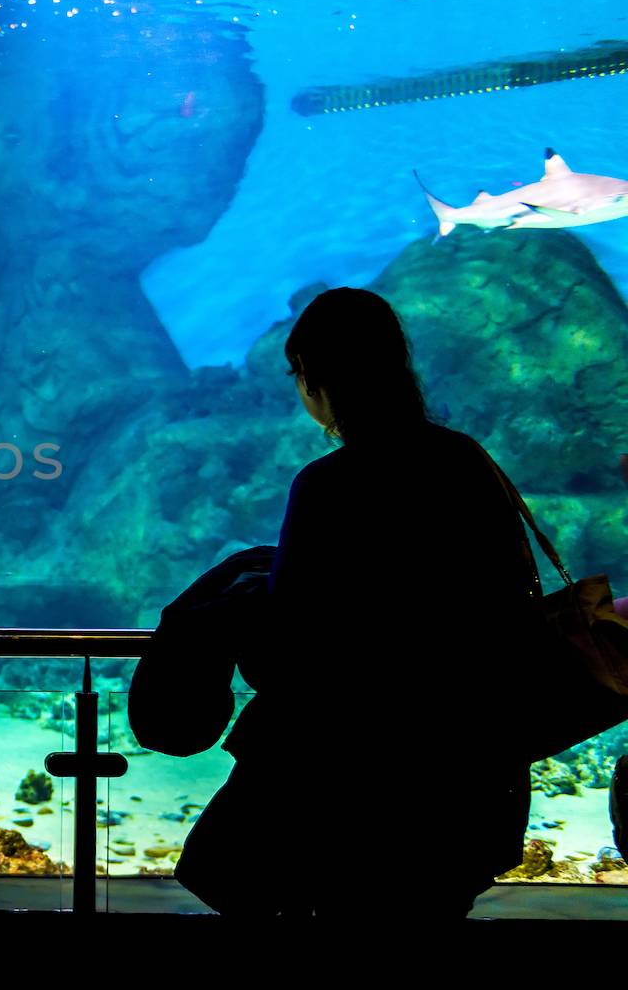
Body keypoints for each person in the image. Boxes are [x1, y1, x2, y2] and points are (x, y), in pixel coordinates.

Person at [173, 287, 534, 918]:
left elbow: (294, 650)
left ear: (312, 376)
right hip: (466, 780)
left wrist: (242, 619)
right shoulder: (468, 462)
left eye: (297, 373)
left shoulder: (328, 485)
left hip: (344, 791)